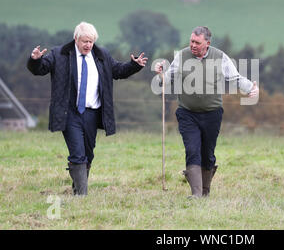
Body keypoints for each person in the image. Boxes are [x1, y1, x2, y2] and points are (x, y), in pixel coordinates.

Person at [27, 21, 148, 196]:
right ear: (76, 39)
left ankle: (77, 190)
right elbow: (40, 69)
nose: (88, 45)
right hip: (69, 113)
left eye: (91, 41)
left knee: (88, 154)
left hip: (92, 113)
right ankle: (82, 196)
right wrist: (35, 60)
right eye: (85, 41)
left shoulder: (101, 55)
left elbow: (118, 70)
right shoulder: (59, 54)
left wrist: (134, 65)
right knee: (77, 153)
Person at [154, 26, 259, 198]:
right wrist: (160, 74)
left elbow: (235, 78)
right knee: (192, 149)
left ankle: (205, 191)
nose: (193, 45)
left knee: (208, 154)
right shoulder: (182, 56)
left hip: (212, 114)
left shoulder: (220, 57)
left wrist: (251, 89)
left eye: (197, 42)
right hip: (187, 113)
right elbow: (168, 79)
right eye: (191, 41)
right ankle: (196, 194)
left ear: (207, 43)